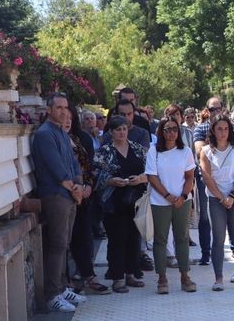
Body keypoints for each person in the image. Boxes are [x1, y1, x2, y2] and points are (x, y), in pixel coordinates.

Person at [31, 92, 88, 312]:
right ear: (49, 110)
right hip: (55, 195)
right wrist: (75, 189)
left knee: (64, 244)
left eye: (66, 107)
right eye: (59, 108)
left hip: (69, 195)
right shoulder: (45, 134)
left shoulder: (63, 133)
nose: (64, 111)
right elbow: (56, 168)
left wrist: (80, 187)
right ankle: (52, 294)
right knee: (56, 244)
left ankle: (63, 287)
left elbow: (74, 165)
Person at [94, 115, 148, 293]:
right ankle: (117, 277)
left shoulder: (138, 149)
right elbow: (94, 173)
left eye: (124, 129)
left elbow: (150, 171)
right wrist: (110, 181)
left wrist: (139, 179)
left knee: (133, 238)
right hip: (113, 202)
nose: (122, 132)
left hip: (135, 200)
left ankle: (131, 274)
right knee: (117, 239)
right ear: (111, 132)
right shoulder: (104, 151)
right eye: (118, 129)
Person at [145, 116, 197, 294]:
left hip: (182, 201)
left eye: (175, 129)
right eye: (167, 129)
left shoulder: (186, 152)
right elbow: (152, 176)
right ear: (161, 132)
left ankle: (185, 276)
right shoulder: (154, 151)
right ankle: (162, 278)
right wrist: (168, 196)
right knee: (160, 239)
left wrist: (182, 196)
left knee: (182, 237)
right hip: (160, 202)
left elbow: (190, 177)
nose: (171, 132)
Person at [200, 116, 234, 290]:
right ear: (213, 130)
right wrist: (221, 198)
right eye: (219, 129)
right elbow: (207, 177)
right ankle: (219, 278)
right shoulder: (206, 151)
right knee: (218, 239)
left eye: (226, 128)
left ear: (230, 130)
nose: (222, 132)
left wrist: (232, 195)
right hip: (215, 199)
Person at [65, 106, 110, 295]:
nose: (66, 120)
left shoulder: (82, 139)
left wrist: (88, 187)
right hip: (66, 194)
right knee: (64, 242)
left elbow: (90, 166)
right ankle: (69, 281)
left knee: (84, 236)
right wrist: (75, 188)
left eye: (69, 117)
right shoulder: (54, 138)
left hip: (84, 196)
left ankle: (87, 275)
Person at [192, 97, 226, 266]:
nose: (214, 112)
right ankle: (206, 253)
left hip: (226, 176)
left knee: (227, 214)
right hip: (204, 176)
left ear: (222, 109)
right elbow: (199, 151)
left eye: (217, 109)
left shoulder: (228, 127)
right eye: (211, 109)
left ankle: (228, 249)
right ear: (206, 111)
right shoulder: (200, 128)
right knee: (204, 216)